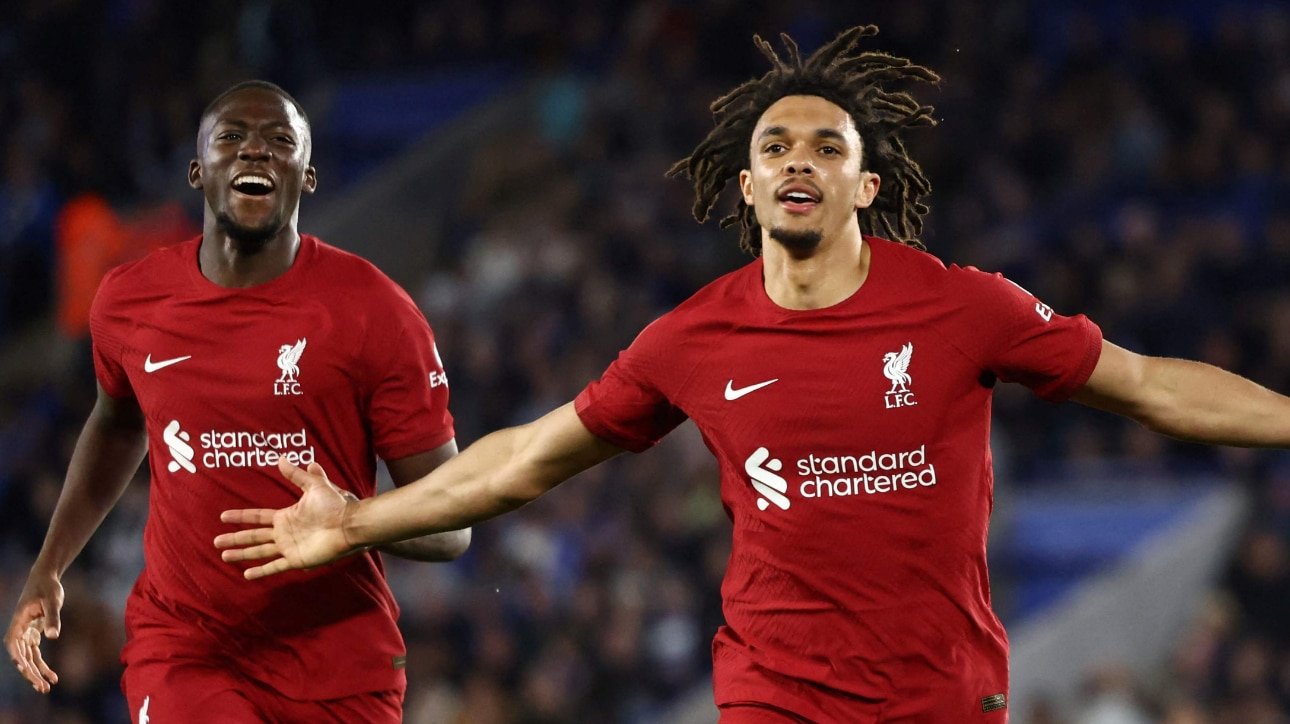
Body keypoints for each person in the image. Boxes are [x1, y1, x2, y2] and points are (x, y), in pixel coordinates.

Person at [215, 27, 1290, 723]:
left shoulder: (966, 307)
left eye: (827, 147)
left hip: (943, 694)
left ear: (866, 183)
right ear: (747, 184)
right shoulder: (692, 337)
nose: (798, 162)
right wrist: (358, 521)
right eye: (777, 147)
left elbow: (1150, 385)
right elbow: (530, 458)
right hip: (776, 695)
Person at [5, 80, 471, 723]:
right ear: (199, 172)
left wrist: (351, 522)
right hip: (187, 650)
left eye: (281, 141)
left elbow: (452, 522)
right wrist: (50, 565)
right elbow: (116, 425)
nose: (256, 152)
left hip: (339, 665)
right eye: (232, 137)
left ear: (307, 177)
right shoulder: (127, 302)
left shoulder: (376, 313)